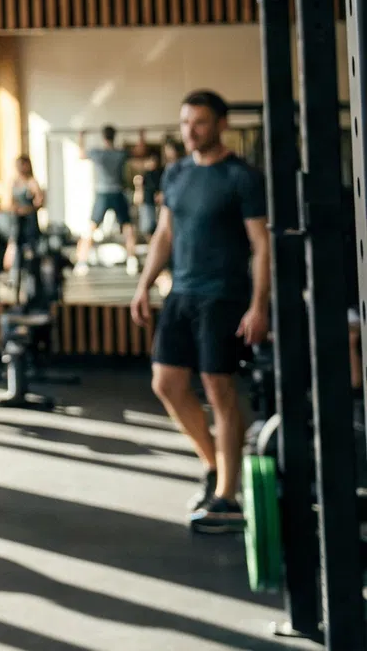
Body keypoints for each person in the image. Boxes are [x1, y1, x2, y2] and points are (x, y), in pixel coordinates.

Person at [131, 90, 269, 534]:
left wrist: (258, 305)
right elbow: (165, 236)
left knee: (218, 389)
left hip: (224, 296)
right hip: (182, 294)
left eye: (201, 123)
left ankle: (228, 497)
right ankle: (214, 465)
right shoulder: (175, 174)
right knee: (166, 383)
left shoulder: (241, 177)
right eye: (186, 122)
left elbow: (262, 245)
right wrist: (143, 285)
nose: (191, 131)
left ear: (221, 125)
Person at [79, 125, 134, 271]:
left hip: (104, 193)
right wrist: (141, 135)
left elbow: (81, 154)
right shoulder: (120, 153)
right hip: (116, 193)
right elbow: (141, 151)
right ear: (113, 137)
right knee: (127, 227)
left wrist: (81, 137)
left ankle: (82, 262)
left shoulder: (97, 153)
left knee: (92, 226)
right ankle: (131, 260)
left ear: (103, 138)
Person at [1, 155, 47, 302]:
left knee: (31, 256)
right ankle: (16, 293)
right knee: (17, 255)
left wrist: (28, 209)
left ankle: (33, 293)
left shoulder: (31, 182)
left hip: (29, 223)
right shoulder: (14, 182)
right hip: (17, 222)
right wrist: (14, 209)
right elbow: (9, 201)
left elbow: (40, 201)